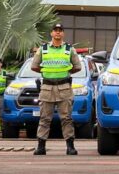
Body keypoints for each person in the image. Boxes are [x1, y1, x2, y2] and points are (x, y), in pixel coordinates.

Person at [31, 23, 81, 155]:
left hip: (64, 87)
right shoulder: (43, 49)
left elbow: (77, 67)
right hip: (47, 87)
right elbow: (34, 66)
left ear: (63, 33)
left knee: (66, 118)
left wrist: (64, 72)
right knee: (44, 118)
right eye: (55, 30)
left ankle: (70, 147)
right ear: (51, 33)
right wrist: (48, 72)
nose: (58, 33)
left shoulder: (69, 49)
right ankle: (41, 146)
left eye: (60, 30)